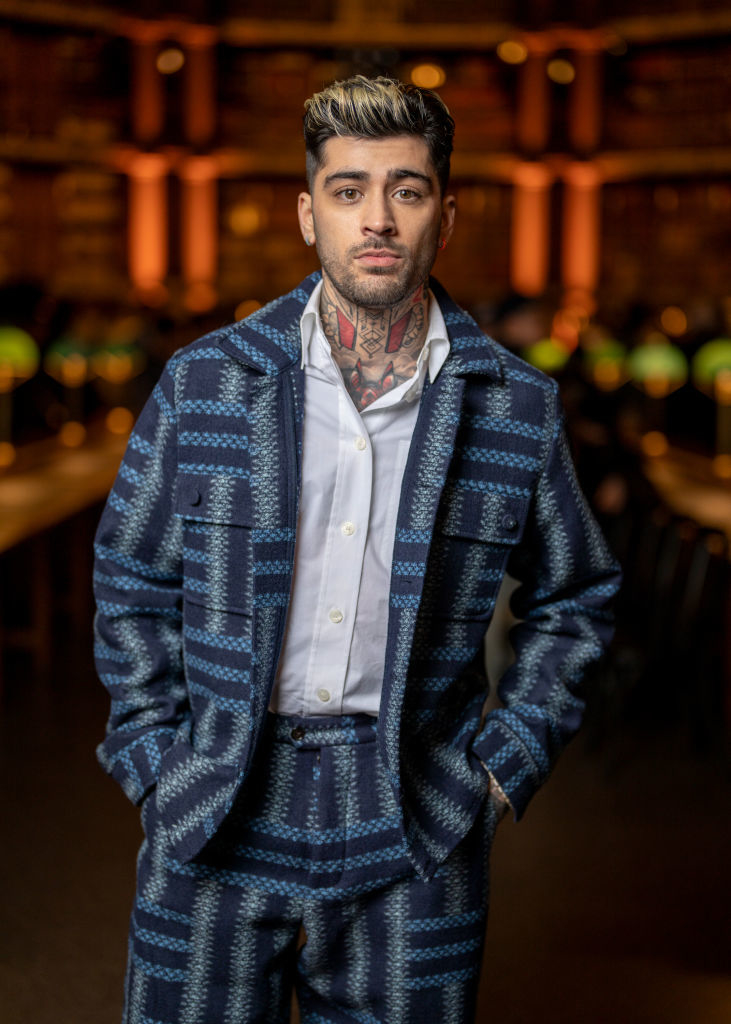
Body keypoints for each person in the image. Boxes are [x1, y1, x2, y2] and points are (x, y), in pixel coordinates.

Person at [94, 75, 620, 1024]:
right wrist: (151, 756)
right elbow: (130, 575)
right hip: (215, 807)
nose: (376, 217)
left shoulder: (517, 405)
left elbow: (575, 596)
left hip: (415, 819)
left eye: (406, 190)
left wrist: (501, 765)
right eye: (347, 190)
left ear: (444, 216)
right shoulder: (204, 383)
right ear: (307, 214)